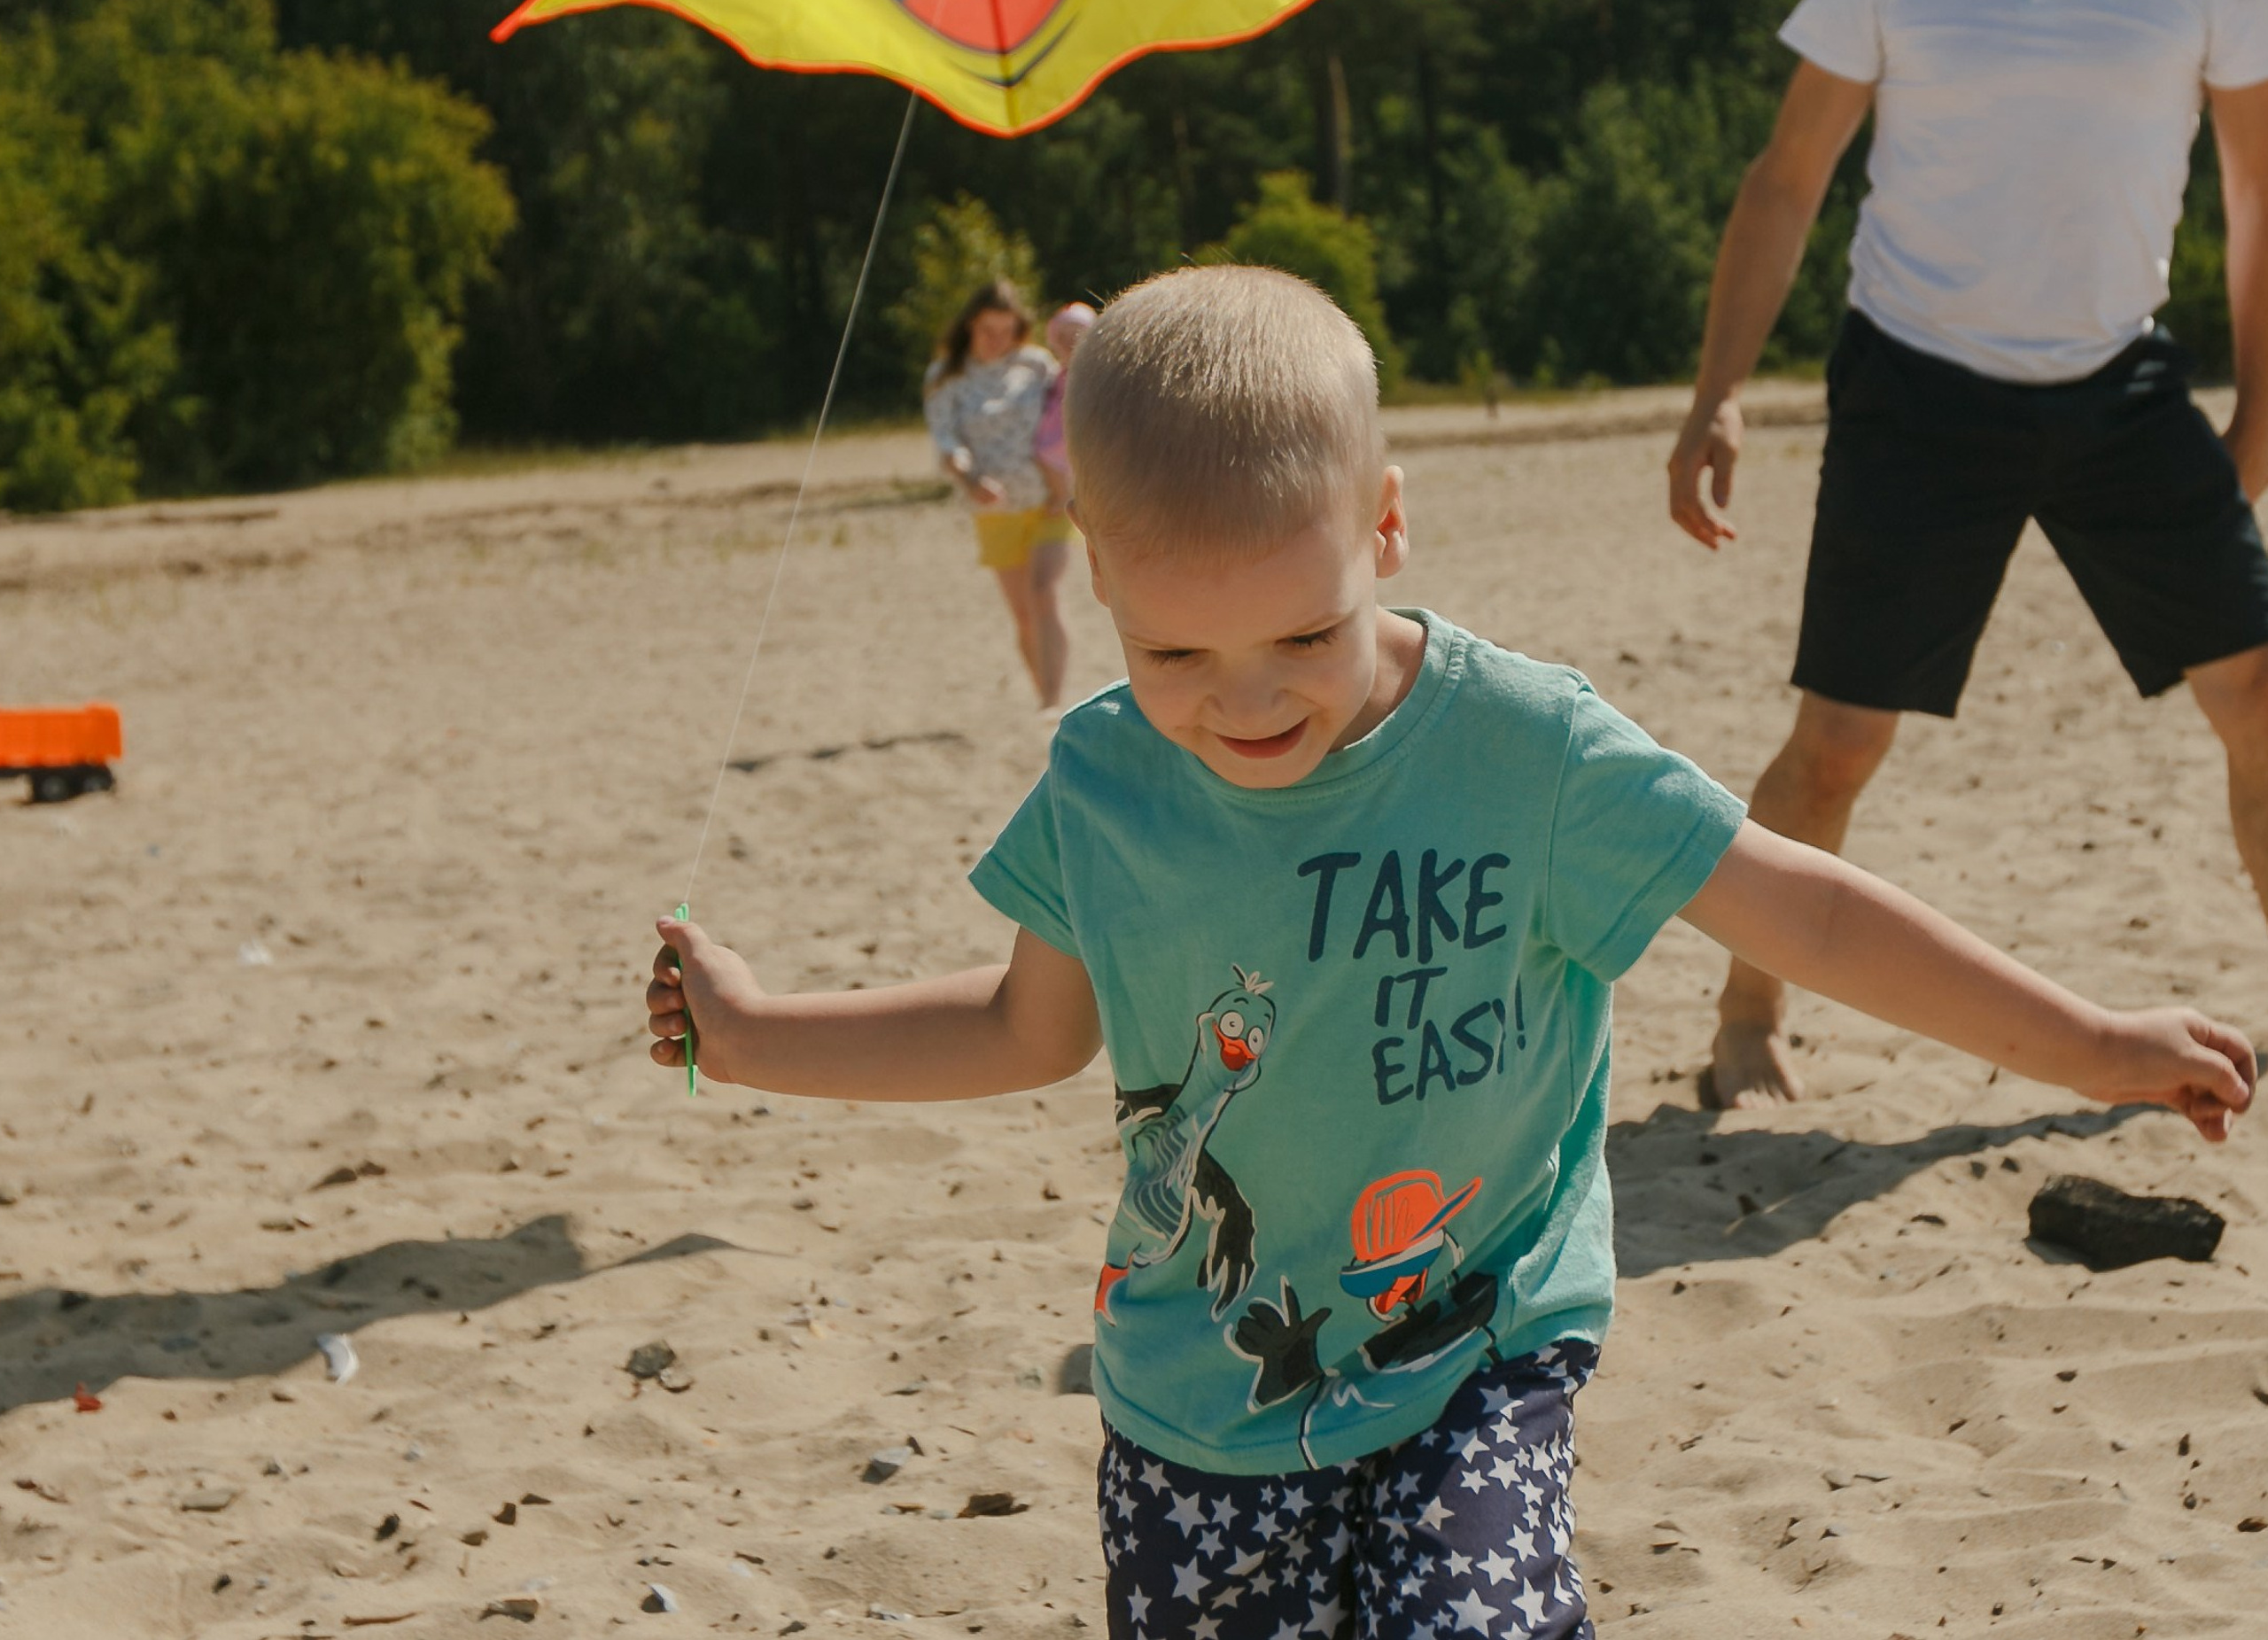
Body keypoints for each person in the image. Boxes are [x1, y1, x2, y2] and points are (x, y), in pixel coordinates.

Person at [649, 266, 2252, 1640]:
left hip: (1478, 1346)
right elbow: (1021, 1030)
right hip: (1193, 1402)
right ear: (1099, 569)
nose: (1247, 700)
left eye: (1301, 633)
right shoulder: (1105, 780)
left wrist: (2096, 1046)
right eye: (1174, 652)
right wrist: (759, 1030)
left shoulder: (1525, 754)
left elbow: (1806, 909)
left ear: (1389, 526)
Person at [1666, 0, 2268, 1110]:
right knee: (1838, 743)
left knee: (2261, 695)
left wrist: (2264, 406)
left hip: (2121, 388)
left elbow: (2260, 198)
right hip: (1918, 391)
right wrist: (1716, 393)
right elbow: (1787, 177)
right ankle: (1747, 1022)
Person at [924, 278, 1073, 709]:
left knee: (1045, 593)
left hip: (1051, 499)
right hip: (995, 508)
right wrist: (970, 480)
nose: (998, 340)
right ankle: (1045, 697)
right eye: (989, 331)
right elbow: (946, 441)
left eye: (1007, 331)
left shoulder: (1036, 365)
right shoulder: (945, 375)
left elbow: (1067, 408)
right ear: (971, 325)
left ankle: (1054, 699)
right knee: (1025, 616)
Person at [1034, 300, 1097, 512]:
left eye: (1077, 336)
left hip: (1073, 426)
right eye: (1063, 337)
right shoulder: (1057, 371)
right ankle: (1061, 495)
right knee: (1045, 456)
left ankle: (1063, 497)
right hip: (1056, 422)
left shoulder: (1091, 371)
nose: (1070, 342)